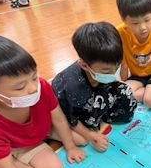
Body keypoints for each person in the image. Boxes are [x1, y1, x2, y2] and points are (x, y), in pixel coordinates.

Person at [0, 35, 86, 168]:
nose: (33, 88)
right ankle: (9, 157)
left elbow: (58, 118)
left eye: (34, 77)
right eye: (19, 87)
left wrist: (71, 147)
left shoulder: (41, 86)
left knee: (82, 140)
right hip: (21, 145)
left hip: (43, 129)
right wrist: (8, 164)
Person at [52, 22, 137, 152]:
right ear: (84, 65)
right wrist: (91, 136)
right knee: (84, 139)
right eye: (107, 71)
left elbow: (115, 80)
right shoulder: (73, 88)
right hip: (71, 109)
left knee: (125, 92)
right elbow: (71, 118)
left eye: (117, 66)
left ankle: (100, 120)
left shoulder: (104, 66)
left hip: (95, 90)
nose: (114, 73)